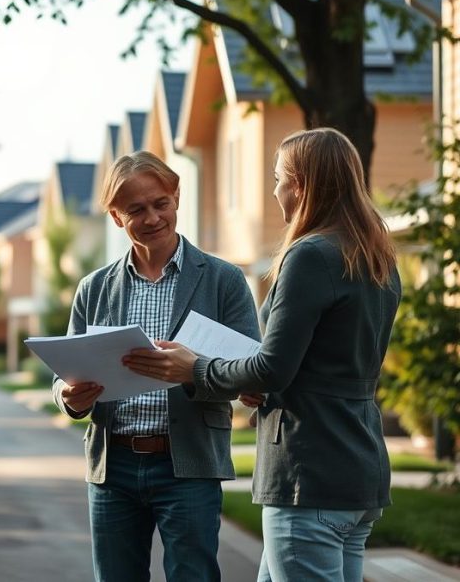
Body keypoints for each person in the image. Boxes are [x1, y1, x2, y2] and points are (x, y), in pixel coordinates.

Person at [126, 128, 401, 582]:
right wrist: (251, 379)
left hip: (307, 470)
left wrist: (193, 366)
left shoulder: (311, 255)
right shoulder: (377, 256)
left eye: (278, 179)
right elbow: (324, 361)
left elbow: (273, 367)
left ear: (301, 185)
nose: (274, 191)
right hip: (358, 467)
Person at [53, 150, 260, 582]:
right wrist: (68, 397)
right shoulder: (94, 288)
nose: (151, 218)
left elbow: (251, 373)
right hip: (114, 465)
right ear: (115, 216)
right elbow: (63, 373)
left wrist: (192, 370)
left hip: (188, 463)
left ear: (176, 197)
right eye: (136, 210)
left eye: (160, 203)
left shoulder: (223, 280)